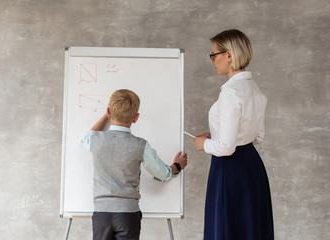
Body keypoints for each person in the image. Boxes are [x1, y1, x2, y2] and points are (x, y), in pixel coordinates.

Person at [192, 29, 274, 240]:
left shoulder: (231, 92)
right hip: (251, 166)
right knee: (249, 227)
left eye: (214, 55)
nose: (213, 61)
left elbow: (227, 148)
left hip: (229, 169)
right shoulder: (254, 89)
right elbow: (257, 137)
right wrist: (217, 133)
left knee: (227, 228)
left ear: (229, 55)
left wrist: (205, 144)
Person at [81, 89, 187, 240]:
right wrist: (177, 166)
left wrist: (108, 114)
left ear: (109, 112)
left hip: (101, 214)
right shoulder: (140, 145)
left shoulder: (95, 140)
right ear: (136, 118)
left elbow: (86, 137)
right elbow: (163, 174)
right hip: (128, 215)